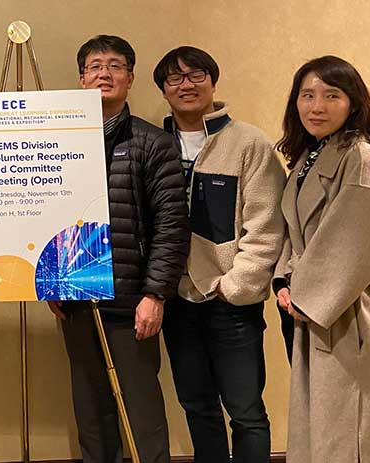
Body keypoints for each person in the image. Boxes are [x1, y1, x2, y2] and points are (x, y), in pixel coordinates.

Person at [48, 35, 189, 463]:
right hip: (75, 295)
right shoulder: (60, 141)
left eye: (114, 66)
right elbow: (45, 212)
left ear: (129, 78)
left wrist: (155, 294)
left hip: (133, 302)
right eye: (94, 66)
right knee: (90, 410)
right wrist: (52, 281)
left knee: (141, 409)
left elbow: (171, 226)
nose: (103, 74)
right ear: (81, 79)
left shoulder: (153, 143)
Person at [153, 46, 285, 463]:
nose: (186, 85)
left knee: (246, 412)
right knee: (198, 407)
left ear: (213, 81)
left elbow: (266, 227)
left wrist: (235, 287)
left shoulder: (248, 142)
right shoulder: (155, 144)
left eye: (196, 75)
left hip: (230, 302)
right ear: (163, 90)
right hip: (175, 300)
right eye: (174, 79)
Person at [273, 55, 370, 463]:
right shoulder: (309, 156)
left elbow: (367, 233)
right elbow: (294, 231)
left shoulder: (360, 154)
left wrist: (306, 296)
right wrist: (283, 283)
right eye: (307, 95)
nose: (316, 106)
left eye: (331, 95)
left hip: (349, 304)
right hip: (314, 305)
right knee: (320, 417)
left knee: (348, 422)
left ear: (353, 102)